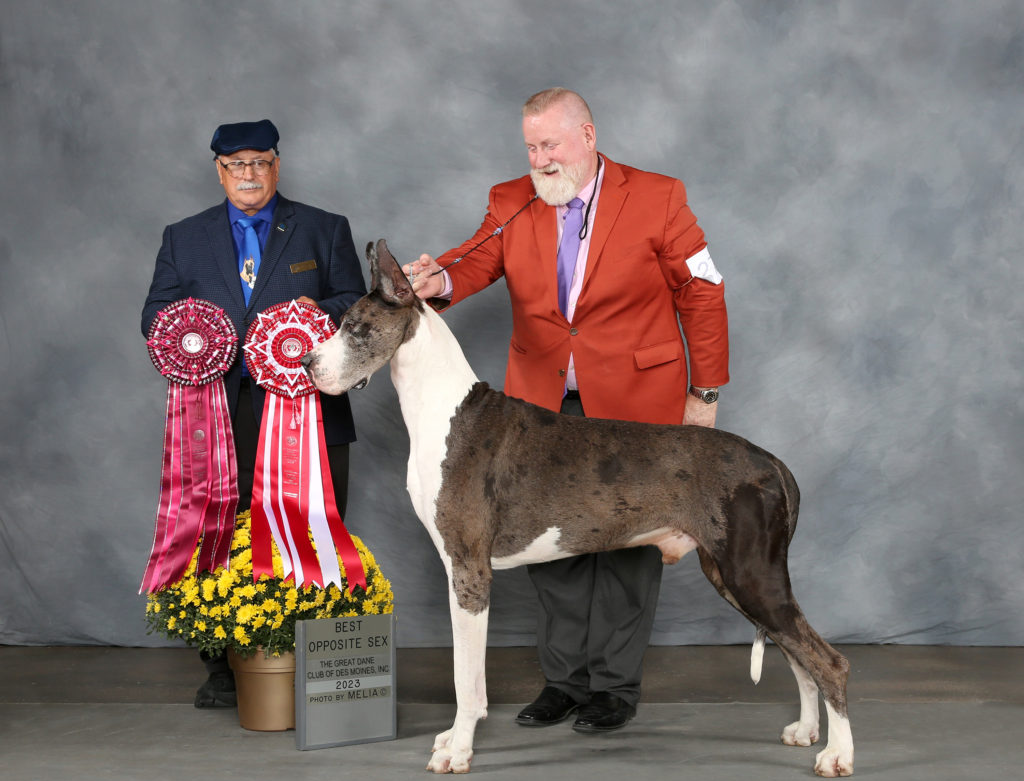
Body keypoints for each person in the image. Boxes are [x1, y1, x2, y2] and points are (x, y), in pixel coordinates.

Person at [405, 88, 729, 732]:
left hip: (637, 403)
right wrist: (437, 279)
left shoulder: (658, 195)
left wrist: (705, 393)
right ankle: (563, 681)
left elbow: (704, 291)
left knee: (628, 549)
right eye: (530, 146)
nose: (540, 159)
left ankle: (612, 687)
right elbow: (474, 261)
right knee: (547, 548)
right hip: (540, 404)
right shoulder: (511, 198)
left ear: (587, 135)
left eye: (550, 145)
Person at [141, 119, 366, 707]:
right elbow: (156, 317)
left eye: (260, 162)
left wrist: (303, 317)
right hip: (214, 409)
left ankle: (315, 665)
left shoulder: (324, 228)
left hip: (307, 412)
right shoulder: (183, 237)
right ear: (219, 171)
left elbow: (355, 306)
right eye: (236, 165)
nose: (249, 174)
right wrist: (198, 339)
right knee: (213, 531)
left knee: (312, 532)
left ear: (277, 165)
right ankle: (222, 667)